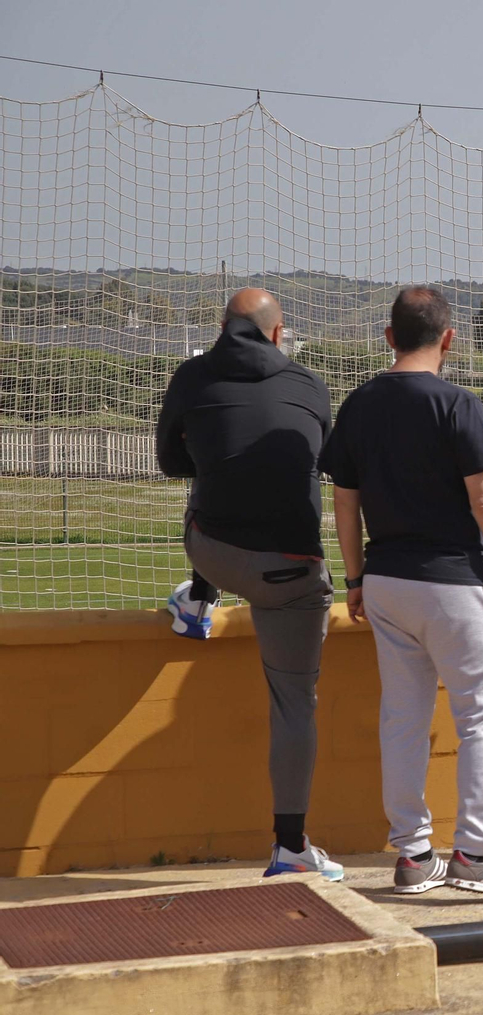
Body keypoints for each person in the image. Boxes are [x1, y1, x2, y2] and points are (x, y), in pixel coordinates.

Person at [322, 287, 483, 900]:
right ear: (449, 339)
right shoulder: (457, 403)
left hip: (387, 582)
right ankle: (474, 853)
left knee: (403, 716)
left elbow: (345, 500)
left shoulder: (359, 404)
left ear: (388, 337)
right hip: (450, 582)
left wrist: (357, 577)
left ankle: (415, 856)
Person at [154, 287, 342, 881]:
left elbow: (169, 461)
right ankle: (290, 850)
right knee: (294, 705)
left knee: (206, 489)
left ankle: (197, 602)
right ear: (278, 333)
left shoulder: (191, 377)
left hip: (216, 552)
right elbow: (323, 459)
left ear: (223, 328)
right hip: (292, 574)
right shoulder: (310, 386)